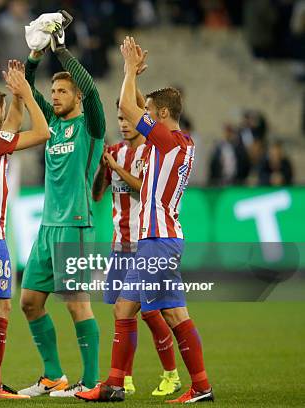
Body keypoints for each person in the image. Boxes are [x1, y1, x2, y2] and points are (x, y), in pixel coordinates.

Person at [76, 36, 213, 403]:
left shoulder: (166, 142)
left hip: (157, 239)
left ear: (163, 116)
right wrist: (137, 78)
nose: (144, 116)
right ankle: (201, 387)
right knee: (174, 314)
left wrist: (128, 70)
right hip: (166, 237)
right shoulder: (177, 142)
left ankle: (114, 385)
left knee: (125, 308)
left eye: (151, 112)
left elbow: (126, 104)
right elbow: (135, 106)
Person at [18, 16, 105, 398]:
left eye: (62, 91)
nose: (54, 95)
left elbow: (94, 91)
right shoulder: (51, 123)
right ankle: (53, 375)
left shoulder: (91, 126)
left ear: (78, 96)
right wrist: (35, 56)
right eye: (53, 90)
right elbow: (30, 92)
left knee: (76, 306)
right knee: (30, 302)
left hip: (75, 224)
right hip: (47, 227)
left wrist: (61, 52)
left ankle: (91, 381)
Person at [91, 98, 181, 397]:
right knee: (122, 313)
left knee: (151, 313)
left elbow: (145, 189)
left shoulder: (153, 151)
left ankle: (171, 373)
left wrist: (117, 168)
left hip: (147, 242)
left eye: (128, 118)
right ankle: (124, 378)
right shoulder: (114, 152)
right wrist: (102, 167)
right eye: (119, 118)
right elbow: (97, 195)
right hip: (120, 246)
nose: (123, 123)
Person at [0, 60, 49, 399]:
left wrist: (16, 93)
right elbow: (42, 131)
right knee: (0, 306)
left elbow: (13, 123)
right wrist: (28, 95)